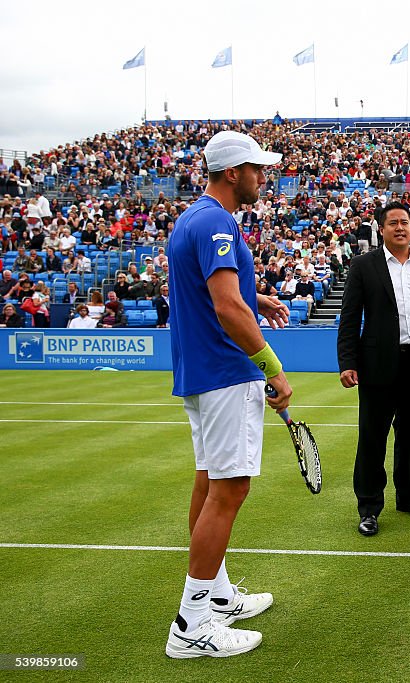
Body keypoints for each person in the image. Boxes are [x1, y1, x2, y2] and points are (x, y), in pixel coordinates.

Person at [164, 130, 293, 659]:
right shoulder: (217, 220)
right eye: (258, 169)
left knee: (208, 481)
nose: (265, 177)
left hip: (200, 372)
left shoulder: (192, 218)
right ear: (232, 171)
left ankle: (215, 594)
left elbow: (219, 292)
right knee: (229, 490)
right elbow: (225, 307)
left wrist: (253, 294)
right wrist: (273, 368)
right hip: (224, 371)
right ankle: (192, 623)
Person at [337, 202, 410, 537]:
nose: (400, 228)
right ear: (381, 229)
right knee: (372, 438)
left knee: (409, 434)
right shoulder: (363, 266)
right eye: (393, 223)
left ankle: (408, 496)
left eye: (405, 222)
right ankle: (369, 507)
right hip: (377, 365)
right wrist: (347, 363)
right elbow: (349, 318)